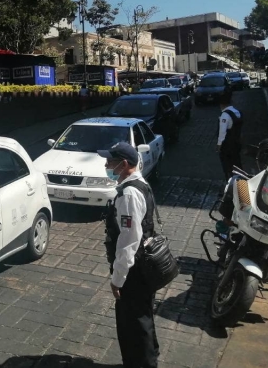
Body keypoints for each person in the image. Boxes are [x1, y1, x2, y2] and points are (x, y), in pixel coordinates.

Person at [98, 142, 159, 368]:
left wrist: (117, 278)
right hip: (143, 266)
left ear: (124, 165)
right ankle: (148, 358)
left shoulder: (129, 193)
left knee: (133, 323)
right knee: (143, 317)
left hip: (133, 269)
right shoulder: (140, 184)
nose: (106, 165)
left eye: (110, 162)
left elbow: (129, 240)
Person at [217, 91, 243, 179]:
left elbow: (222, 132)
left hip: (227, 145)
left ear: (222, 104)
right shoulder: (237, 112)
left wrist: (219, 145)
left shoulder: (225, 115)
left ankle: (231, 185)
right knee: (237, 164)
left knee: (228, 166)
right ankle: (241, 182)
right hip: (237, 142)